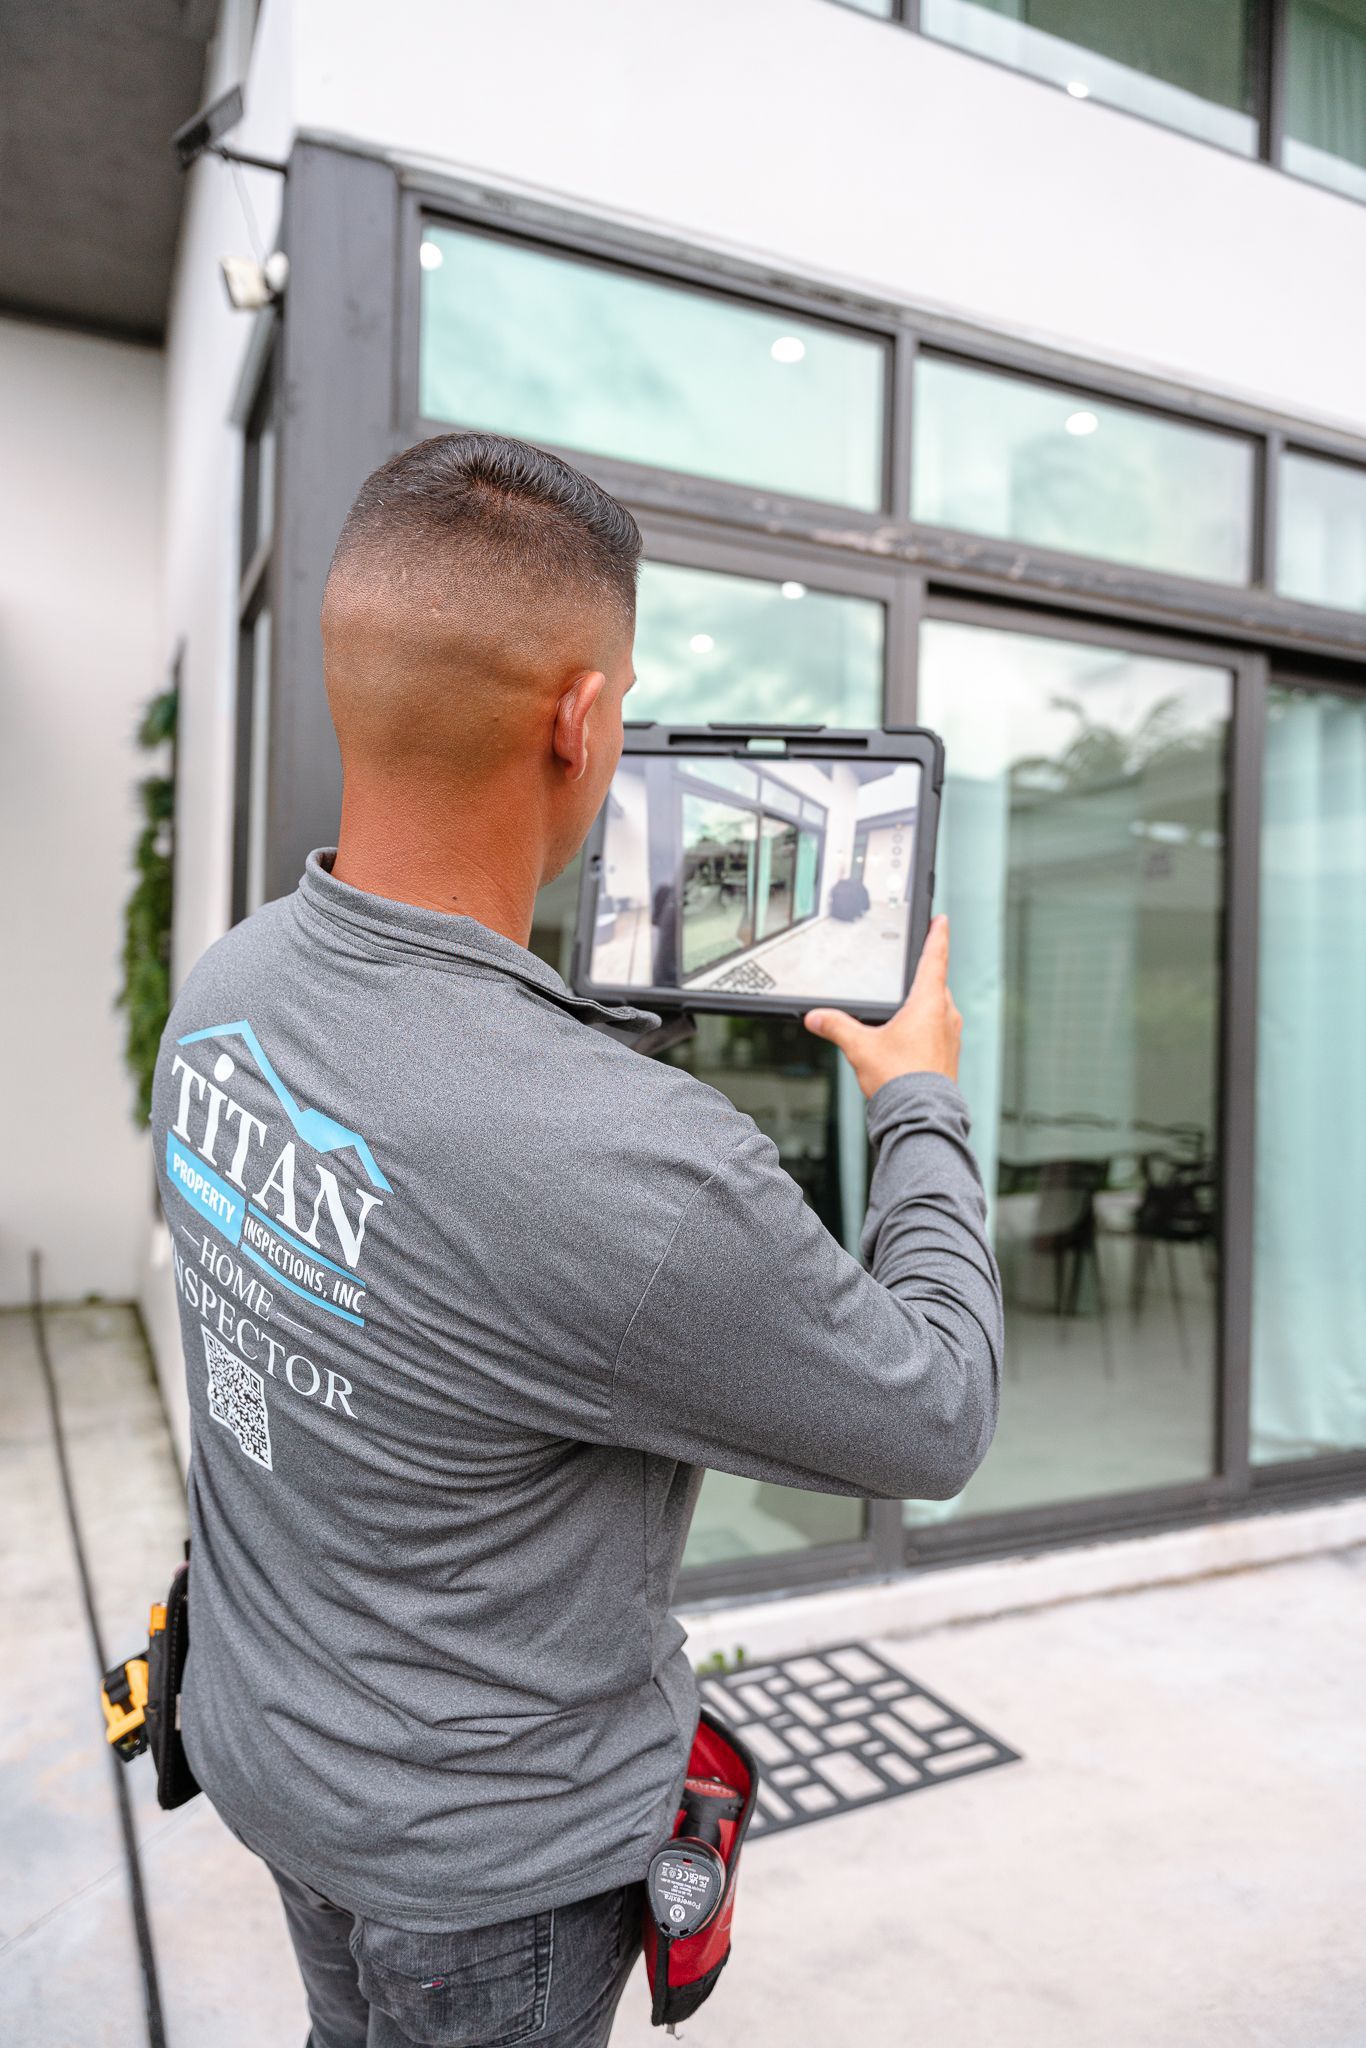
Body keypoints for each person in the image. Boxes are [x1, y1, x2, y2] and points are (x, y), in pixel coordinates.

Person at [152, 431, 1003, 2048]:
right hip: (488, 1880)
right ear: (583, 720)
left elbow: (416, 1248)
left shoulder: (233, 987)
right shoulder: (636, 1172)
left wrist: (545, 1058)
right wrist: (917, 1101)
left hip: (270, 1754)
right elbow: (932, 1413)